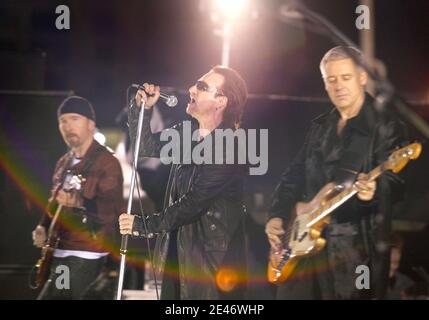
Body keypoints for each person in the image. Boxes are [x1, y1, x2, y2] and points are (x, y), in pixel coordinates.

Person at [265, 46, 407, 299]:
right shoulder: (320, 127)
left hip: (352, 256)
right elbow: (293, 175)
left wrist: (374, 191)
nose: (338, 86)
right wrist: (277, 214)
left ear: (362, 77)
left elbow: (397, 183)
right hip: (301, 249)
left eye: (346, 77)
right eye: (331, 80)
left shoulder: (385, 125)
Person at [119, 65, 249, 299]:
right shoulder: (187, 132)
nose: (191, 89)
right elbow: (145, 147)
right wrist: (142, 110)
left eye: (201, 87)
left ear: (221, 100)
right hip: (177, 249)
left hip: (212, 261)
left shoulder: (231, 146)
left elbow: (193, 204)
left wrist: (143, 225)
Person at [32, 96, 124, 299]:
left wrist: (79, 202)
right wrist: (43, 226)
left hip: (87, 253)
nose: (67, 126)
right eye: (63, 121)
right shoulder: (63, 162)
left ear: (91, 124)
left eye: (74, 118)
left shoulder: (107, 162)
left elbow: (111, 212)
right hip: (60, 251)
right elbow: (54, 202)